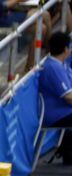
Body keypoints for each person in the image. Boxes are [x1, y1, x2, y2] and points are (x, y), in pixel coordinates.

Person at [38, 31, 72, 163]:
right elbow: (68, 98)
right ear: (65, 49)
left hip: (64, 112)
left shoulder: (61, 65)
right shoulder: (52, 67)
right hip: (56, 115)